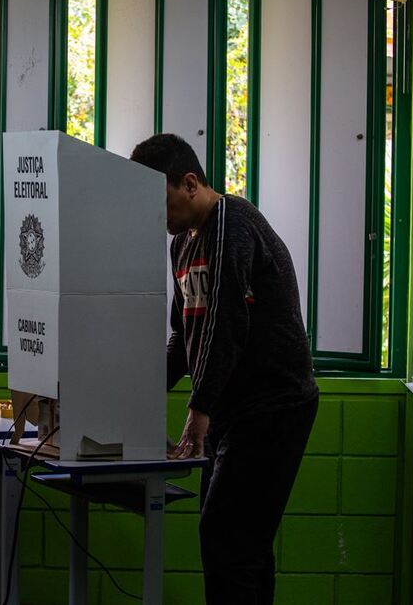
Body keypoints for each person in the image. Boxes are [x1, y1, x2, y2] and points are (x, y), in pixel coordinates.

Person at [130, 133, 319, 605]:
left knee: (226, 538)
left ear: (190, 183)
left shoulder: (232, 224)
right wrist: (136, 396)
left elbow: (227, 321)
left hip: (274, 405)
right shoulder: (182, 244)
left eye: (163, 202)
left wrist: (199, 410)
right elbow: (184, 338)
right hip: (231, 408)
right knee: (241, 543)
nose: (158, 218)